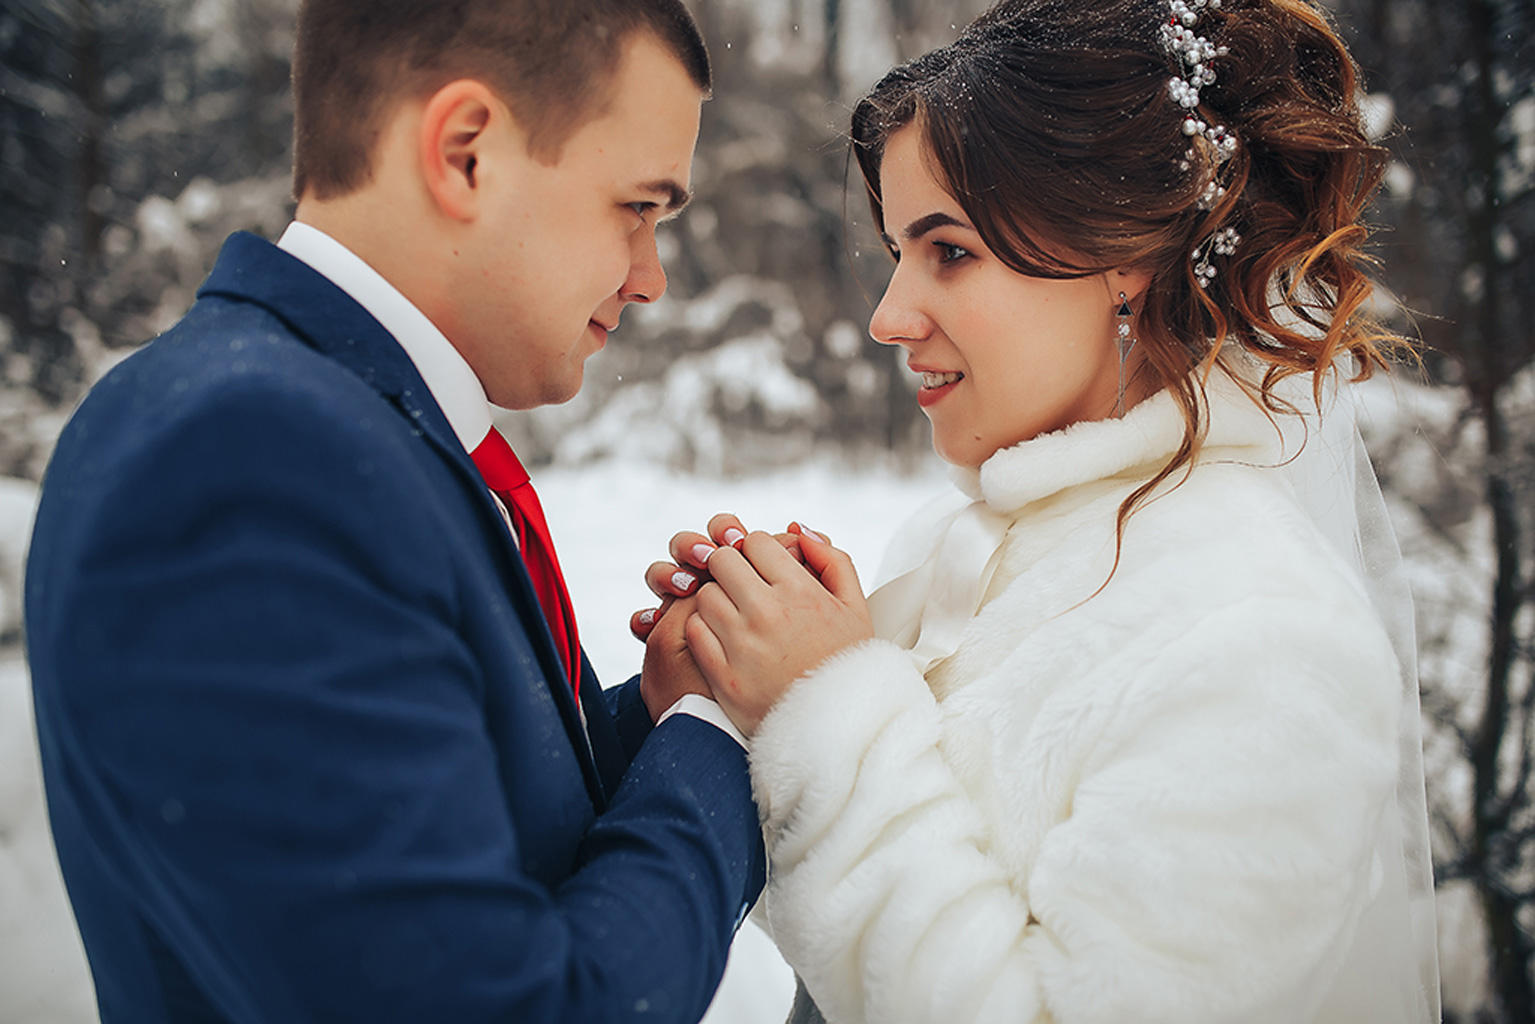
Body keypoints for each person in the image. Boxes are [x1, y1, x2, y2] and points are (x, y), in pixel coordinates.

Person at [636, 0, 1440, 1020]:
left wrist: (826, 704)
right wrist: (740, 705)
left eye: (948, 250)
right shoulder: (953, 546)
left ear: (1126, 259)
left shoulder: (1268, 636)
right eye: (894, 252)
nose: (888, 317)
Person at [24, 2, 763, 1021]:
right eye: (636, 208)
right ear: (465, 153)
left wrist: (658, 711)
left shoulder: (330, 424)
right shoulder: (248, 458)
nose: (650, 278)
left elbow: (468, 824)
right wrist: (724, 730)